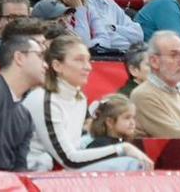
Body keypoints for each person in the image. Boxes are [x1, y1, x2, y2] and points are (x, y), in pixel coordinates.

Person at [26, 34, 153, 170]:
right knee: (130, 163)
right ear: (57, 65)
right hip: (35, 175)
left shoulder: (79, 98)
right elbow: (69, 160)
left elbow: (76, 148)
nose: (88, 67)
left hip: (62, 170)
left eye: (88, 60)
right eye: (79, 60)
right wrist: (122, 148)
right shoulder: (44, 100)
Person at [0, 33, 48, 172]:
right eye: (40, 56)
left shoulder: (25, 116)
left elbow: (20, 168)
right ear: (19, 58)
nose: (46, 65)